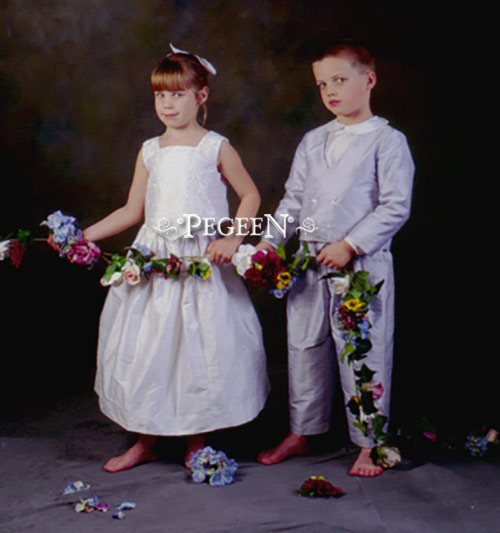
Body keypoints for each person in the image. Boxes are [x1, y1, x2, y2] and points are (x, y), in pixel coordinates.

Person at [83, 45, 269, 473]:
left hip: (200, 259)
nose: (168, 104)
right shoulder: (150, 150)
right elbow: (133, 211)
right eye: (160, 96)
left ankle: (195, 440)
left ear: (201, 97)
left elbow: (250, 195)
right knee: (151, 347)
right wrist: (85, 235)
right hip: (155, 260)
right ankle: (145, 438)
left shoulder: (215, 147)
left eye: (178, 95)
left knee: (197, 347)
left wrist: (233, 238)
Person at [256, 41, 414, 476]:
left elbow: (395, 205)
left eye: (340, 80)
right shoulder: (314, 139)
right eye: (323, 84)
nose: (330, 91)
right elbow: (293, 201)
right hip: (309, 263)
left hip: (360, 265)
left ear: (369, 80)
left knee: (362, 349)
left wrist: (351, 245)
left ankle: (369, 440)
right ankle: (302, 429)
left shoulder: (387, 141)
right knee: (303, 345)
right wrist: (270, 244)